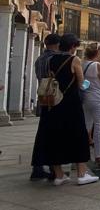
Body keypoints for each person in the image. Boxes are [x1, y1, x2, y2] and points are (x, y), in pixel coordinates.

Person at [31, 33, 99, 186]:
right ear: (73, 46)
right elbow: (82, 84)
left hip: (52, 104)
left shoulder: (49, 60)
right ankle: (82, 174)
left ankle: (59, 175)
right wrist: (91, 85)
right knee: (78, 136)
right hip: (70, 104)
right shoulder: (73, 59)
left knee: (54, 137)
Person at [30, 33, 61, 181]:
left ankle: (37, 168)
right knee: (54, 135)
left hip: (43, 99)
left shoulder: (39, 59)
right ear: (58, 44)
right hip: (54, 100)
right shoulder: (54, 59)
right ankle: (54, 169)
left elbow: (40, 78)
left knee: (42, 134)